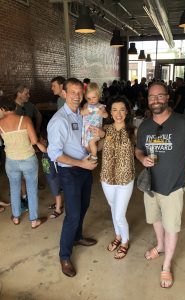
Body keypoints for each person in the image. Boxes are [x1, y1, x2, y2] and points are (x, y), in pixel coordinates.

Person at [135, 82, 185, 288]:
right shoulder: (145, 125)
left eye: (159, 96)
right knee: (155, 219)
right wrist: (142, 159)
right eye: (151, 97)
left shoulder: (183, 123)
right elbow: (138, 150)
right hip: (150, 185)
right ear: (148, 100)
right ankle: (161, 245)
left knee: (171, 226)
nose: (155, 100)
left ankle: (166, 266)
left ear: (167, 98)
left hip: (173, 186)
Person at [47, 78, 102, 277]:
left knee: (84, 205)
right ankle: (64, 255)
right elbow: (54, 154)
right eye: (72, 92)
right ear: (64, 93)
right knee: (73, 215)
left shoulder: (82, 114)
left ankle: (77, 237)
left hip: (84, 167)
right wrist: (81, 163)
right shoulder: (58, 121)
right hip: (70, 171)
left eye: (80, 92)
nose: (77, 96)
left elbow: (88, 140)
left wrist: (99, 138)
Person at [0, 96, 47, 228]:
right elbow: (33, 141)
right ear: (15, 107)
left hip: (11, 161)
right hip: (28, 159)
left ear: (2, 109)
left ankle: (16, 217)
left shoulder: (0, 123)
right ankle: (34, 220)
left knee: (14, 188)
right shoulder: (25, 119)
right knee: (32, 189)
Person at [100, 96, 135, 259]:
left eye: (122, 109)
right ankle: (118, 236)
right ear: (110, 112)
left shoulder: (134, 130)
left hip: (125, 178)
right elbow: (97, 147)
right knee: (113, 209)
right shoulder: (105, 129)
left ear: (127, 112)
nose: (118, 113)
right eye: (114, 110)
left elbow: (141, 150)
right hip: (107, 178)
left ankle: (125, 241)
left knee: (120, 214)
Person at [80, 83, 108, 160]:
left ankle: (94, 156)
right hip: (86, 129)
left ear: (98, 96)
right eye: (89, 98)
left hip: (96, 129)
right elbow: (80, 113)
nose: (91, 100)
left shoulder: (101, 107)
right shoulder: (86, 105)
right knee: (85, 145)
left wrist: (102, 113)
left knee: (92, 142)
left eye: (93, 97)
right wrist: (83, 112)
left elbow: (106, 115)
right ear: (86, 97)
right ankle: (90, 154)